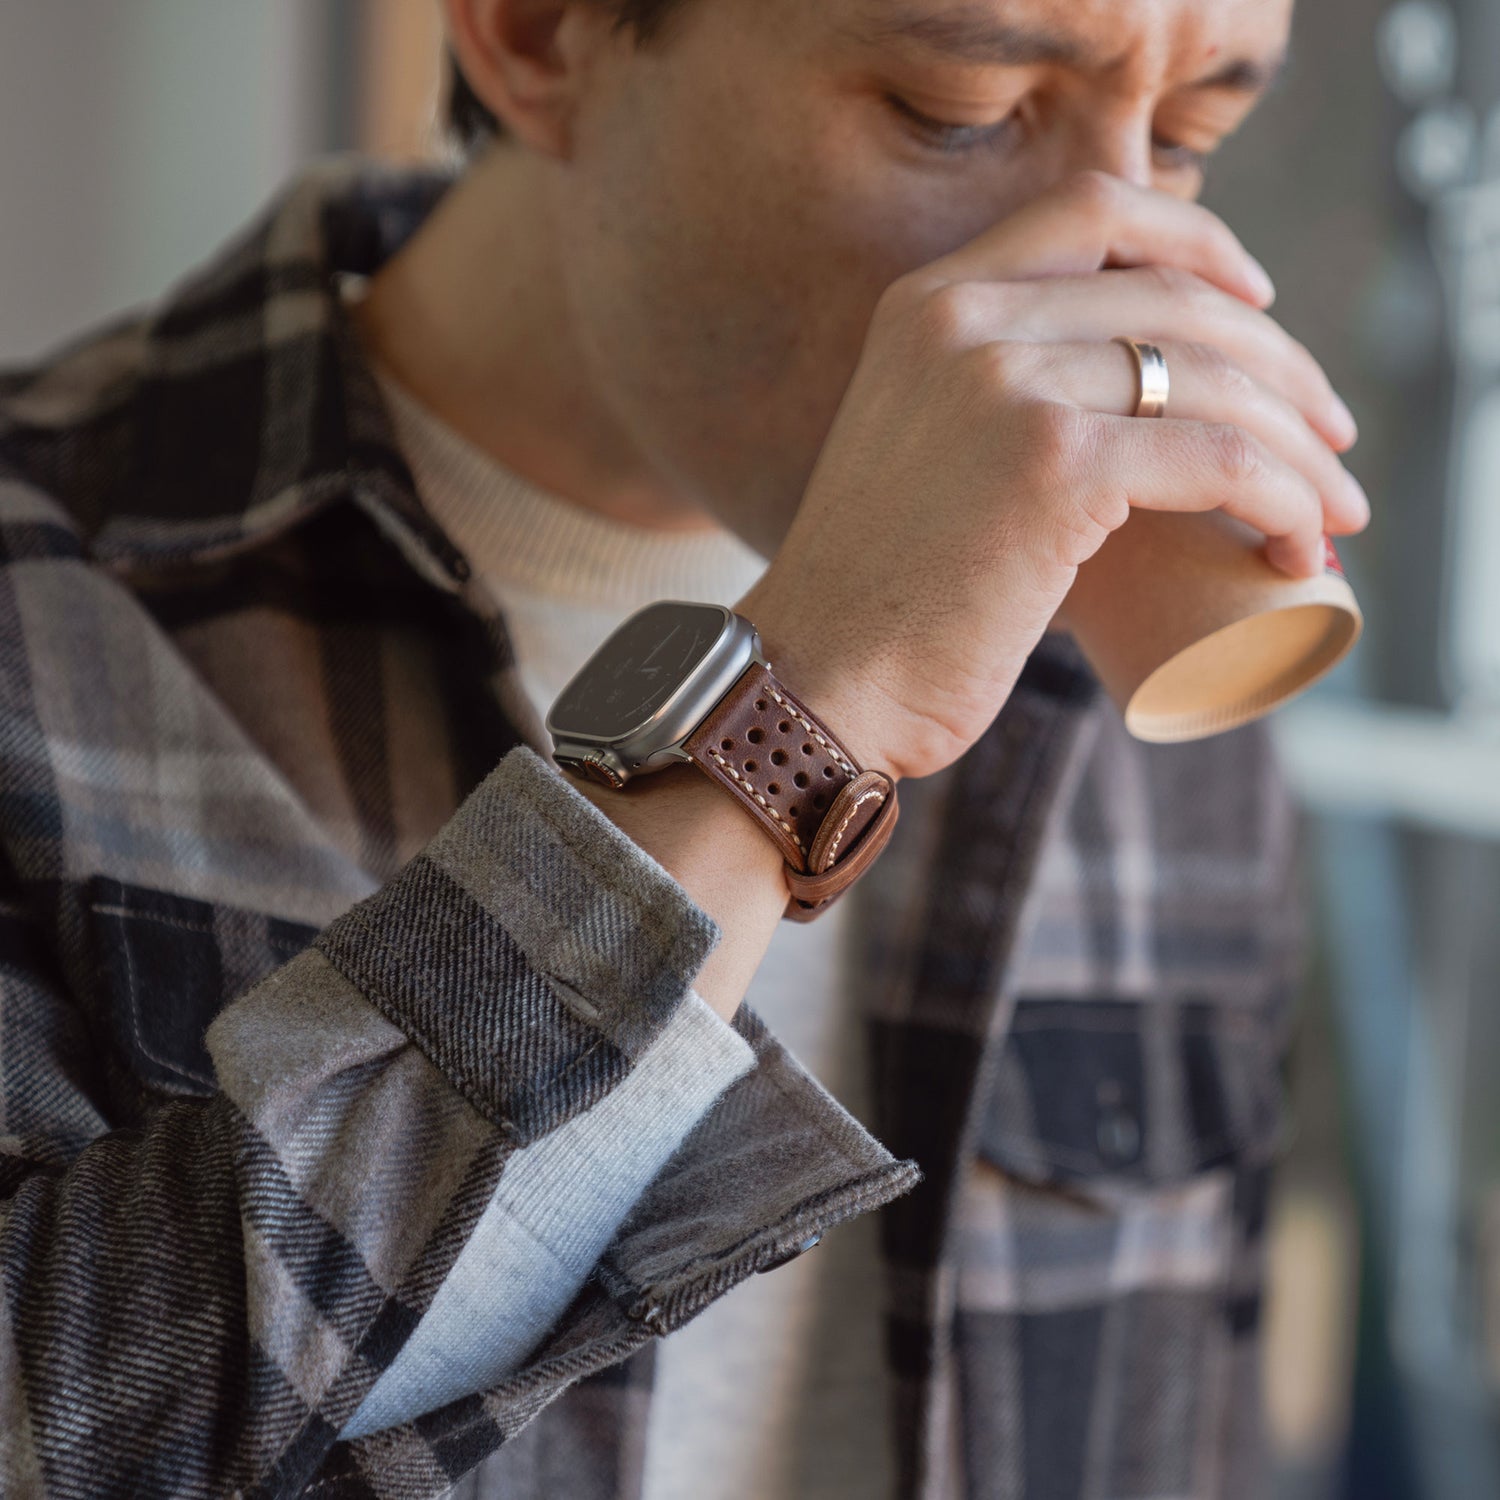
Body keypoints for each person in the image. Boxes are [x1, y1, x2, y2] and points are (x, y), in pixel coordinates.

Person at [0, 0, 1370, 1495]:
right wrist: (798, 712)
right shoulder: (44, 617)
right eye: (956, 110)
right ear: (535, 36)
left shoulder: (1144, 679)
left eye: (1188, 138)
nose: (1114, 256)